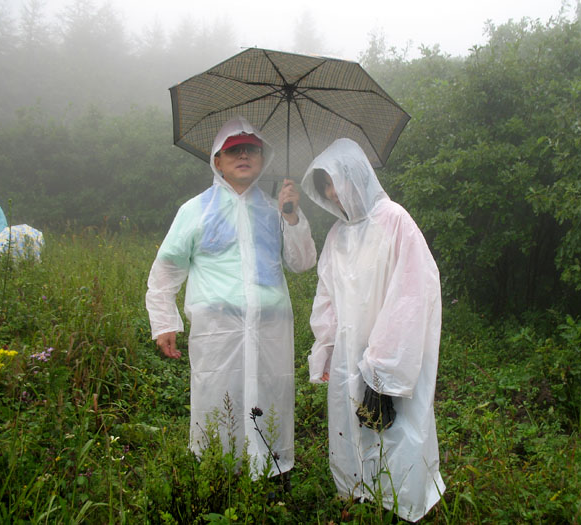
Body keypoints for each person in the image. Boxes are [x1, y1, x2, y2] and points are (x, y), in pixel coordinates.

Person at [145, 116, 316, 478]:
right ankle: (217, 467)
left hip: (270, 328)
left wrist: (292, 214)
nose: (243, 155)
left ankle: (269, 464)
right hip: (218, 329)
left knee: (270, 393)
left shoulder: (275, 209)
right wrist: (164, 322)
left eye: (251, 149)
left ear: (262, 159)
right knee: (217, 396)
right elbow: (166, 271)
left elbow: (302, 263)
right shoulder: (195, 211)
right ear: (217, 160)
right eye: (233, 150)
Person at [300, 138, 445, 522]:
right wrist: (326, 348)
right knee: (350, 419)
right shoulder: (336, 235)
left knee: (395, 427)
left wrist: (383, 366)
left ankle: (399, 500)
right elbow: (326, 296)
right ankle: (354, 490)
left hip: (387, 355)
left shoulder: (395, 220)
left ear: (356, 175)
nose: (332, 193)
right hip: (349, 353)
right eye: (324, 186)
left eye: (334, 181)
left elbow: (413, 294)